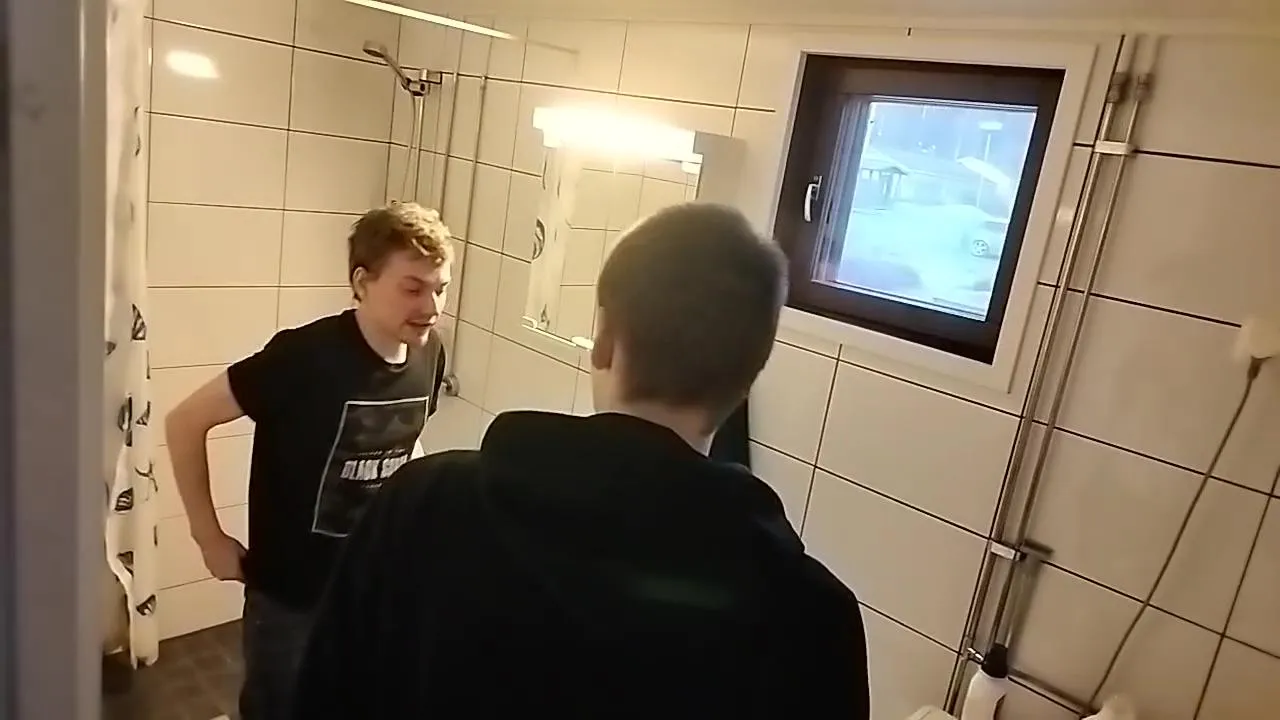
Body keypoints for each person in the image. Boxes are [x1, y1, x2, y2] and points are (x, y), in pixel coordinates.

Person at [292, 203, 871, 719]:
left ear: (604, 341)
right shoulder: (812, 619)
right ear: (745, 381)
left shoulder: (427, 504)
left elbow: (325, 697)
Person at [164, 202, 453, 720]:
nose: (431, 307)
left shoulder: (430, 355)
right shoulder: (303, 357)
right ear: (362, 282)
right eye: (413, 288)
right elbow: (184, 421)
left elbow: (406, 444)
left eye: (441, 288)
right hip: (290, 600)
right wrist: (208, 538)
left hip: (373, 588)